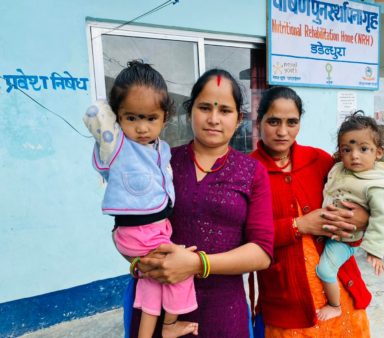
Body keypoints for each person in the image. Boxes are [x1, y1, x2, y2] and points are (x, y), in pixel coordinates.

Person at [133, 68, 274, 337]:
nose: (213, 119)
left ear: (239, 118)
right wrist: (137, 262)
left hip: (223, 312)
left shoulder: (252, 172)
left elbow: (262, 252)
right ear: (190, 112)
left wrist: (198, 264)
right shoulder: (159, 163)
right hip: (157, 306)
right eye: (205, 107)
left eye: (225, 111)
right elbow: (129, 223)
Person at [83, 60, 198, 338]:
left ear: (164, 117)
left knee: (152, 284)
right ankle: (170, 325)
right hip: (138, 232)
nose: (142, 127)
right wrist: (113, 108)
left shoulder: (162, 148)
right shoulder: (117, 146)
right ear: (119, 117)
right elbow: (93, 112)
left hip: (153, 230)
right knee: (181, 273)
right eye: (131, 117)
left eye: (150, 118)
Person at [250, 86, 373, 337]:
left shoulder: (320, 161)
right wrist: (299, 226)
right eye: (273, 121)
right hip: (287, 299)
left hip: (340, 291)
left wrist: (363, 219)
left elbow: (363, 196)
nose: (283, 132)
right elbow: (245, 238)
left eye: (292, 122)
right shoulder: (248, 170)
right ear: (259, 120)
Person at [316, 111, 384, 321]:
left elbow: (383, 218)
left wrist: (375, 251)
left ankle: (334, 305)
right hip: (326, 230)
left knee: (324, 270)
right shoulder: (340, 169)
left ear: (378, 152)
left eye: (363, 149)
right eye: (347, 149)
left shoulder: (377, 185)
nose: (354, 155)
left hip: (345, 240)